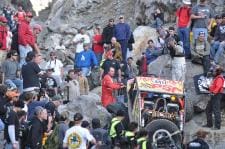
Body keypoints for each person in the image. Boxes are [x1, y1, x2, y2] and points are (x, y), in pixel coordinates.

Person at [204, 66, 224, 130]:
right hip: (213, 95)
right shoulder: (216, 78)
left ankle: (217, 126)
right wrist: (209, 88)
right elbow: (213, 86)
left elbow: (218, 87)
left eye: (214, 71)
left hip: (217, 95)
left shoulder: (219, 78)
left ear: (217, 72)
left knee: (216, 110)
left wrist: (213, 93)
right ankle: (209, 124)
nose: (213, 72)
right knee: (208, 109)